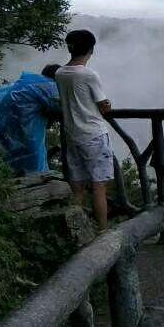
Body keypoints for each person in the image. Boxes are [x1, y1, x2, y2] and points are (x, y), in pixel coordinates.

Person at [55, 28, 114, 231]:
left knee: (77, 188)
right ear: (91, 49)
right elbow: (103, 105)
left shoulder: (60, 73)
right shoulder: (89, 75)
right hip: (94, 134)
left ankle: (76, 232)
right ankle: (103, 233)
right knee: (99, 187)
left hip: (72, 135)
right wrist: (107, 105)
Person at [0, 64, 62, 175]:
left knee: (12, 167)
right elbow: (63, 110)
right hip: (29, 138)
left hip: (8, 139)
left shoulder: (21, 86)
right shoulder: (47, 86)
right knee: (34, 172)